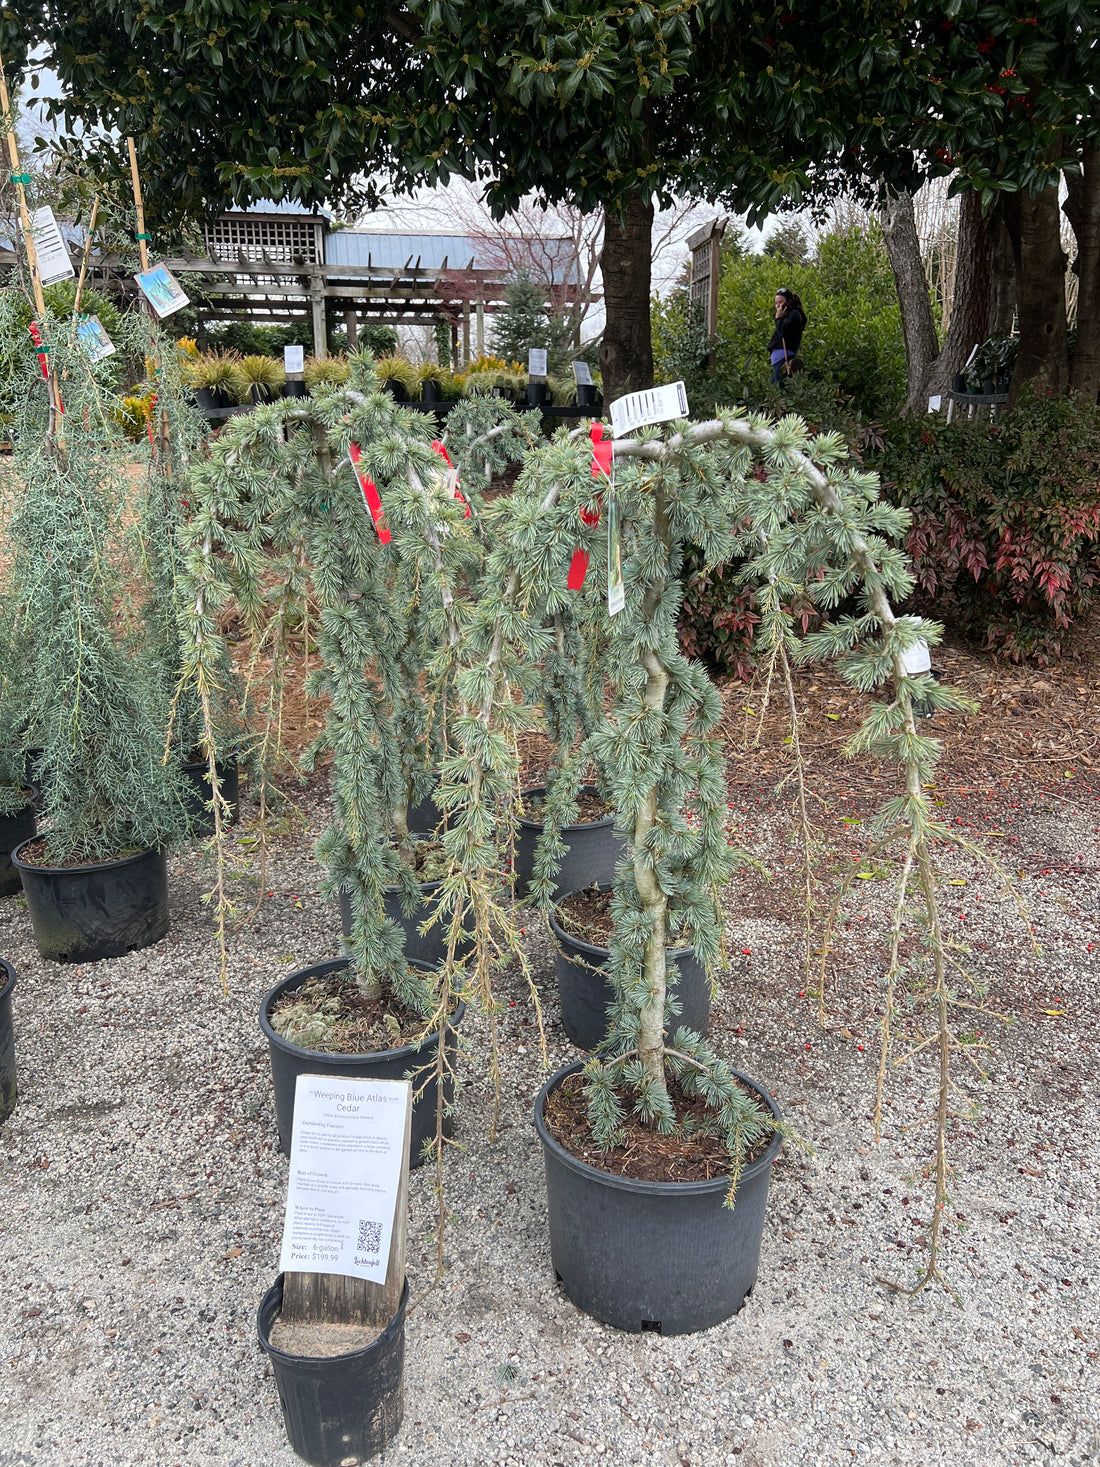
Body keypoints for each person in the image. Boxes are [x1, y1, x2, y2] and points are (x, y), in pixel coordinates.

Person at [768, 287, 806, 384]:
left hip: (784, 356)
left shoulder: (794, 314)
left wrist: (778, 319)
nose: (778, 306)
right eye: (776, 303)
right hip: (780, 358)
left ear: (788, 302)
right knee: (775, 385)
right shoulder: (789, 315)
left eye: (780, 302)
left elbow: (782, 333)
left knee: (778, 386)